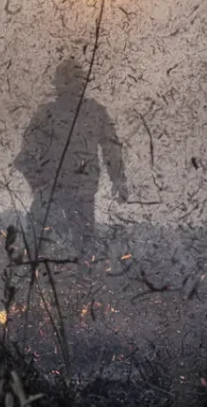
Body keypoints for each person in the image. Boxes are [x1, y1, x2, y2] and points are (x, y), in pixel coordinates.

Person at [14, 58, 127, 259]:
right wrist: (40, 186)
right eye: (70, 80)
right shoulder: (46, 114)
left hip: (82, 195)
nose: (76, 85)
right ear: (59, 83)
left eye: (79, 79)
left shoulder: (96, 112)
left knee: (84, 251)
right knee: (35, 252)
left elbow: (111, 146)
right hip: (50, 195)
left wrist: (118, 178)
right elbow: (24, 158)